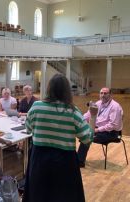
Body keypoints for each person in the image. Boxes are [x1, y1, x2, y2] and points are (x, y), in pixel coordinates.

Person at [23, 74, 96, 202]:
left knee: (39, 195)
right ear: (67, 91)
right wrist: (93, 117)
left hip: (39, 159)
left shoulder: (36, 107)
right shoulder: (73, 111)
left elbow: (28, 129)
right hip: (64, 162)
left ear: (49, 89)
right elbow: (87, 139)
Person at [77, 87, 123, 168]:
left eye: (105, 93)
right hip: (98, 130)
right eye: (101, 93)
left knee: (87, 137)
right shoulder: (98, 103)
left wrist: (97, 130)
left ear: (110, 95)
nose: (103, 95)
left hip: (111, 133)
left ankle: (79, 161)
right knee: (85, 135)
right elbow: (88, 115)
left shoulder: (115, 107)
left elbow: (112, 125)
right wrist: (79, 121)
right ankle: (79, 159)